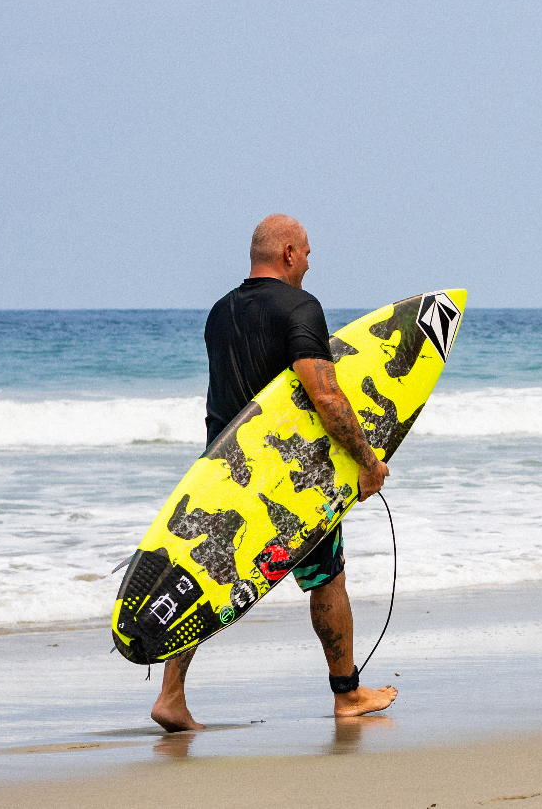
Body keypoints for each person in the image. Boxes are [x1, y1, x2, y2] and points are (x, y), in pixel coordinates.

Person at [150, 214, 397, 732]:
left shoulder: (219, 313)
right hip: (286, 479)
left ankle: (171, 697)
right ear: (288, 252)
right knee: (326, 578)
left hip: (222, 473)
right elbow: (325, 394)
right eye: (306, 252)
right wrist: (367, 461)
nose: (309, 262)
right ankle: (347, 695)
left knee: (207, 580)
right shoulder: (301, 308)